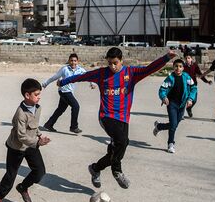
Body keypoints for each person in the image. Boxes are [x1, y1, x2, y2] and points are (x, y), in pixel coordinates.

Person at [58, 47, 176, 189]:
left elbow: (149, 69)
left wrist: (166, 58)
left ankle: (95, 168)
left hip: (123, 117)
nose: (112, 66)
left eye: (115, 63)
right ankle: (117, 171)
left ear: (121, 61)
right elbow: (81, 77)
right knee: (122, 141)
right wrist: (63, 82)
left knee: (119, 146)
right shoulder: (102, 73)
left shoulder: (131, 73)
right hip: (106, 116)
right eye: (110, 63)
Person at [0, 78, 51, 202]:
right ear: (27, 95)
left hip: (31, 145)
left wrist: (40, 135)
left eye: (39, 94)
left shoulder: (37, 108)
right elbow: (21, 136)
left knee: (40, 171)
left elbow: (34, 126)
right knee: (11, 176)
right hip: (16, 147)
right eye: (36, 94)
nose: (39, 97)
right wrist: (38, 142)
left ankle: (23, 187)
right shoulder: (20, 114)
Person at [41, 53, 95, 134]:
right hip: (63, 91)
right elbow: (54, 77)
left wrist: (92, 83)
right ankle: (74, 127)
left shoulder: (80, 70)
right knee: (76, 106)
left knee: (60, 109)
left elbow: (88, 76)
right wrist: (46, 83)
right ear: (69, 61)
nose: (73, 62)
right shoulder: (64, 69)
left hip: (69, 92)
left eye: (75, 61)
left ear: (77, 61)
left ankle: (49, 124)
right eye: (71, 60)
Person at [153, 59, 197, 153]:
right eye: (176, 66)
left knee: (174, 125)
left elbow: (194, 88)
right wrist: (164, 97)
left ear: (183, 68)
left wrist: (190, 99)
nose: (178, 68)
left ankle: (159, 126)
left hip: (182, 104)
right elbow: (162, 89)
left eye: (180, 66)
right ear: (173, 67)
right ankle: (170, 144)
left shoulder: (187, 77)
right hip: (171, 104)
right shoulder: (170, 78)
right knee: (173, 125)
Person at [182, 53, 210, 117]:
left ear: (191, 58)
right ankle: (181, 114)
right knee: (183, 100)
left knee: (194, 100)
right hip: (184, 86)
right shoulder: (182, 66)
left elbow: (200, 74)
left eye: (188, 58)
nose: (187, 59)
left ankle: (188, 109)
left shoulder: (195, 66)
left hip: (193, 85)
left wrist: (206, 81)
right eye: (186, 58)